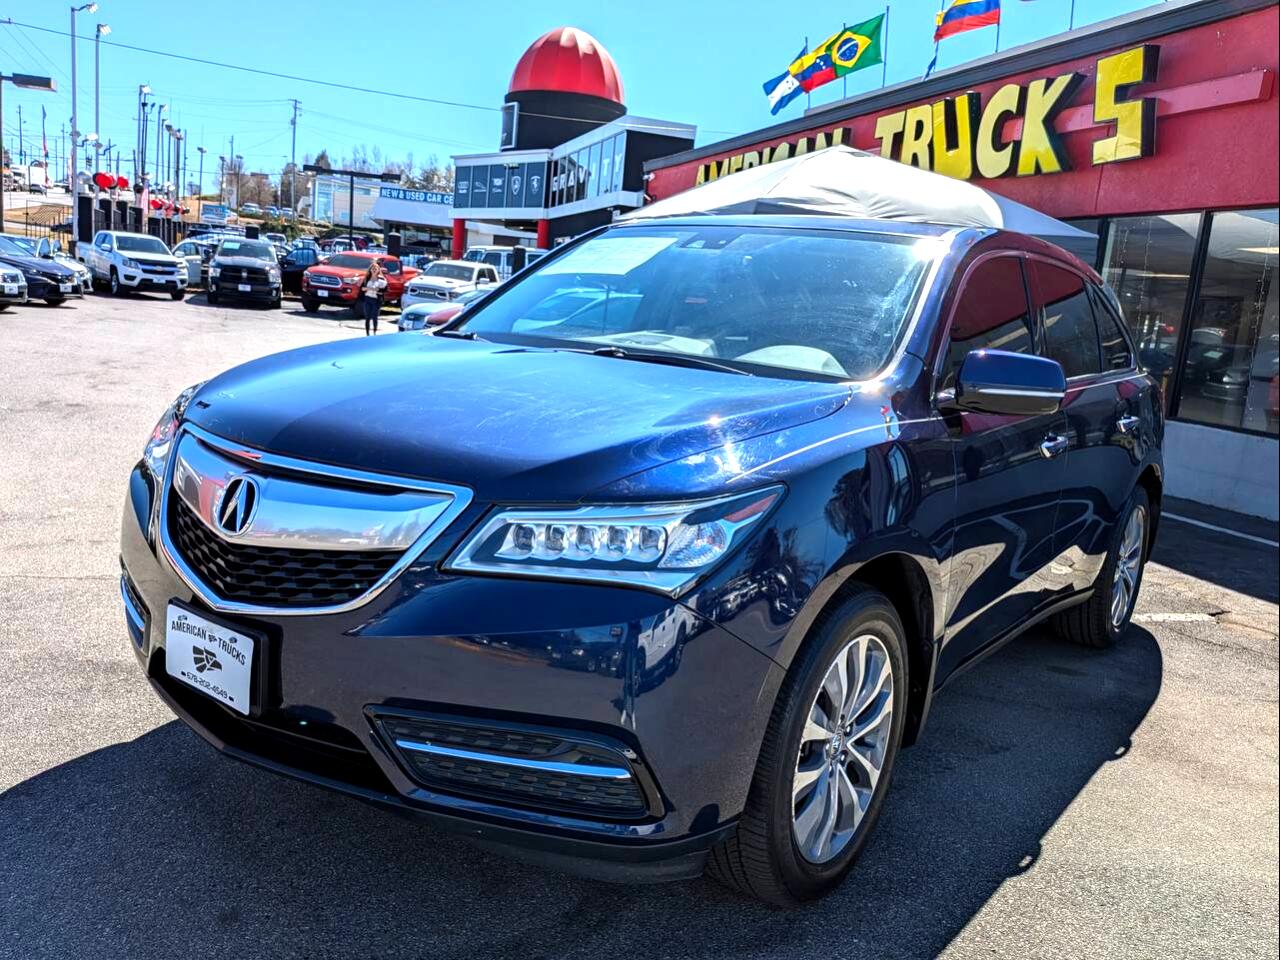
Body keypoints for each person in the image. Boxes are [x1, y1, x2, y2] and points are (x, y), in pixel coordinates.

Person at [362, 260, 388, 335]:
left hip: (376, 300)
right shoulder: (367, 279)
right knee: (367, 317)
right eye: (372, 268)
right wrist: (369, 289)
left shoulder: (381, 280)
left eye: (375, 269)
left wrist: (378, 290)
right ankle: (367, 334)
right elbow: (362, 289)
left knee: (374, 317)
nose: (373, 270)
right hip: (367, 299)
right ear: (370, 270)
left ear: (378, 270)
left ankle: (374, 333)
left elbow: (385, 289)